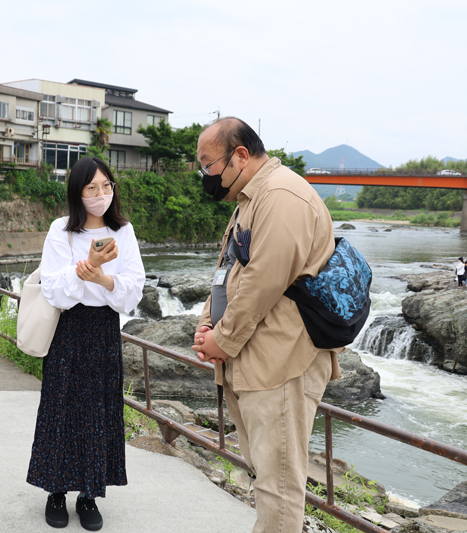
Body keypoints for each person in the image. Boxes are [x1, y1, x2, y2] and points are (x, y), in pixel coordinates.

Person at [191, 117, 342, 533]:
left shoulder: (282, 195)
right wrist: (207, 327)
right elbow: (229, 272)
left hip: (281, 362)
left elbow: (264, 280)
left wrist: (221, 339)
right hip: (252, 359)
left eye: (208, 165)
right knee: (265, 474)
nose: (205, 175)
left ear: (240, 155)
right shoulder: (250, 198)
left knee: (278, 486)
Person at [27, 157, 145, 531]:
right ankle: (56, 491)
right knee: (60, 407)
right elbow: (54, 290)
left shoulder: (123, 232)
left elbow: (133, 290)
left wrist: (104, 280)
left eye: (106, 186)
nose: (100, 194)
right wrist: (87, 268)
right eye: (92, 188)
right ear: (78, 192)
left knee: (99, 412)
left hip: (104, 329)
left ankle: (90, 495)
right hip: (69, 328)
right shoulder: (60, 230)